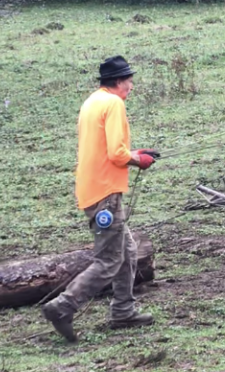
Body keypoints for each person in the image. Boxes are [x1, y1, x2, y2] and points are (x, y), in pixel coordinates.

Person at [42, 55, 158, 342]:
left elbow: (108, 148)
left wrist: (136, 153)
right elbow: (117, 154)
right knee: (109, 259)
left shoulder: (93, 101)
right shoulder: (114, 104)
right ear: (118, 82)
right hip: (105, 193)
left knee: (128, 251)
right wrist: (137, 160)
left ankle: (123, 311)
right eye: (129, 81)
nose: (131, 87)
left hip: (92, 188)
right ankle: (63, 306)